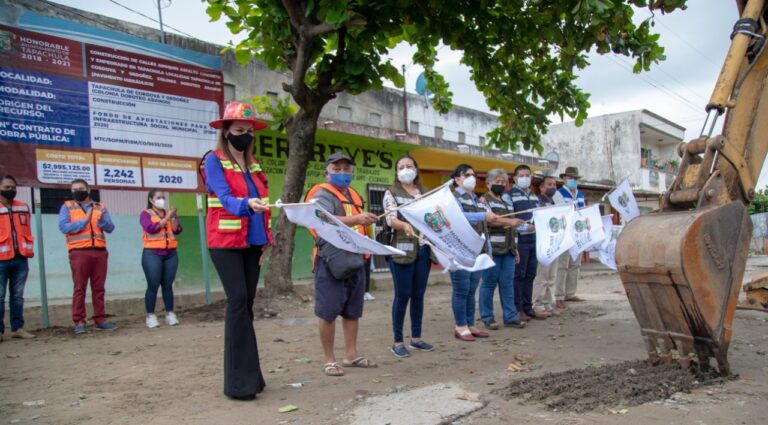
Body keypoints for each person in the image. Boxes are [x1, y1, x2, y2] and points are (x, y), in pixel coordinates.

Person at [202, 101, 273, 401]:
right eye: (238, 129)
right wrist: (247, 205)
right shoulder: (213, 160)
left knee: (247, 307)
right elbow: (226, 198)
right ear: (226, 131)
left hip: (253, 242)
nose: (244, 134)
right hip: (225, 242)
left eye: (248, 130)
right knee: (238, 301)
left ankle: (251, 378)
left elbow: (264, 204)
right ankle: (238, 384)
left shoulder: (254, 165)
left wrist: (267, 239)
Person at [308, 152, 379, 376]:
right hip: (330, 260)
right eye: (336, 169)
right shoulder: (322, 193)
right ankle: (330, 360)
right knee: (327, 312)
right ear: (326, 172)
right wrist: (358, 219)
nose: (342, 173)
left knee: (352, 311)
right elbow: (321, 218)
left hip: (355, 259)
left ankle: (351, 356)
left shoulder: (355, 195)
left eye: (346, 169)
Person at [383, 155, 434, 358]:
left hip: (423, 250)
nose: (405, 170)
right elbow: (390, 220)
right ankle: (397, 341)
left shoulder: (424, 194)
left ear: (416, 169)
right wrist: (404, 225)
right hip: (402, 250)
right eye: (401, 167)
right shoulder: (391, 193)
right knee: (402, 295)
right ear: (396, 172)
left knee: (418, 294)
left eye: (409, 166)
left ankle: (416, 338)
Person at [58, 179, 117, 334]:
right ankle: (79, 322)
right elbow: (63, 227)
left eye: (81, 188)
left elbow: (110, 228)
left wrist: (102, 221)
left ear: (88, 190)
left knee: (99, 288)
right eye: (74, 189)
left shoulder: (100, 207)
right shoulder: (67, 207)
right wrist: (84, 221)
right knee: (79, 288)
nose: (78, 191)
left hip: (99, 252)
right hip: (79, 253)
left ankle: (100, 320)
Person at [450, 164, 498, 341]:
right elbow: (457, 217)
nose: (472, 177)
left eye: (473, 175)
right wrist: (483, 216)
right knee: (461, 289)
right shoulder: (453, 197)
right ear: (457, 179)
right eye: (467, 174)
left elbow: (484, 227)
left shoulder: (476, 199)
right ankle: (460, 325)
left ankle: (470, 324)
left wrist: (489, 249)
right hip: (461, 249)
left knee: (471, 289)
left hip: (478, 249)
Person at [478, 168, 527, 330]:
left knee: (507, 284)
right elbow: (489, 222)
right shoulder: (483, 201)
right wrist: (509, 222)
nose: (500, 184)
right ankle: (487, 317)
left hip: (508, 250)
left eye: (502, 182)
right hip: (491, 250)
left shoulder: (506, 204)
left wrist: (515, 248)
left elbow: (512, 228)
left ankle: (510, 316)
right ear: (488, 184)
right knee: (489, 283)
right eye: (496, 182)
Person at [508, 165, 549, 321]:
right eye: (522, 175)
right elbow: (509, 218)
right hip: (520, 240)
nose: (526, 178)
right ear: (515, 178)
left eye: (528, 175)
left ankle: (527, 307)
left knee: (530, 275)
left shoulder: (533, 195)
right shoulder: (509, 195)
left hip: (534, 240)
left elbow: (538, 216)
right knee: (519, 275)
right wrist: (526, 227)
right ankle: (517, 309)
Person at [140, 189, 182, 328]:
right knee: (153, 285)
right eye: (158, 197)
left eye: (163, 197)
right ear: (151, 200)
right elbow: (151, 228)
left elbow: (177, 230)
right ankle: (150, 316)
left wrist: (174, 217)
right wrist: (166, 218)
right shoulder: (145, 214)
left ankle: (170, 313)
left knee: (168, 285)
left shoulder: (168, 213)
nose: (162, 200)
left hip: (170, 253)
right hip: (152, 253)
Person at [0, 176, 35, 341]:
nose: (11, 190)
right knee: (0, 296)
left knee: (17, 296)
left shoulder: (23, 207)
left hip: (20, 257)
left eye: (13, 187)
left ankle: (17, 328)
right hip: (1, 259)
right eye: (7, 186)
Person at [553, 166, 587, 308]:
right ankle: (559, 295)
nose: (572, 180)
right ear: (564, 179)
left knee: (575, 264)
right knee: (562, 265)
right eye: (570, 178)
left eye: (574, 178)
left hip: (577, 233)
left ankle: (570, 293)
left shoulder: (580, 194)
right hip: (564, 233)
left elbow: (583, 211)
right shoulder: (558, 194)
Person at [532, 175, 561, 316]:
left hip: (555, 244)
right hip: (543, 244)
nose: (553, 187)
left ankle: (548, 303)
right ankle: (538, 304)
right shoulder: (537, 202)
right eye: (549, 184)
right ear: (542, 187)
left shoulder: (555, 203)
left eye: (555, 185)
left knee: (552, 276)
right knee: (542, 276)